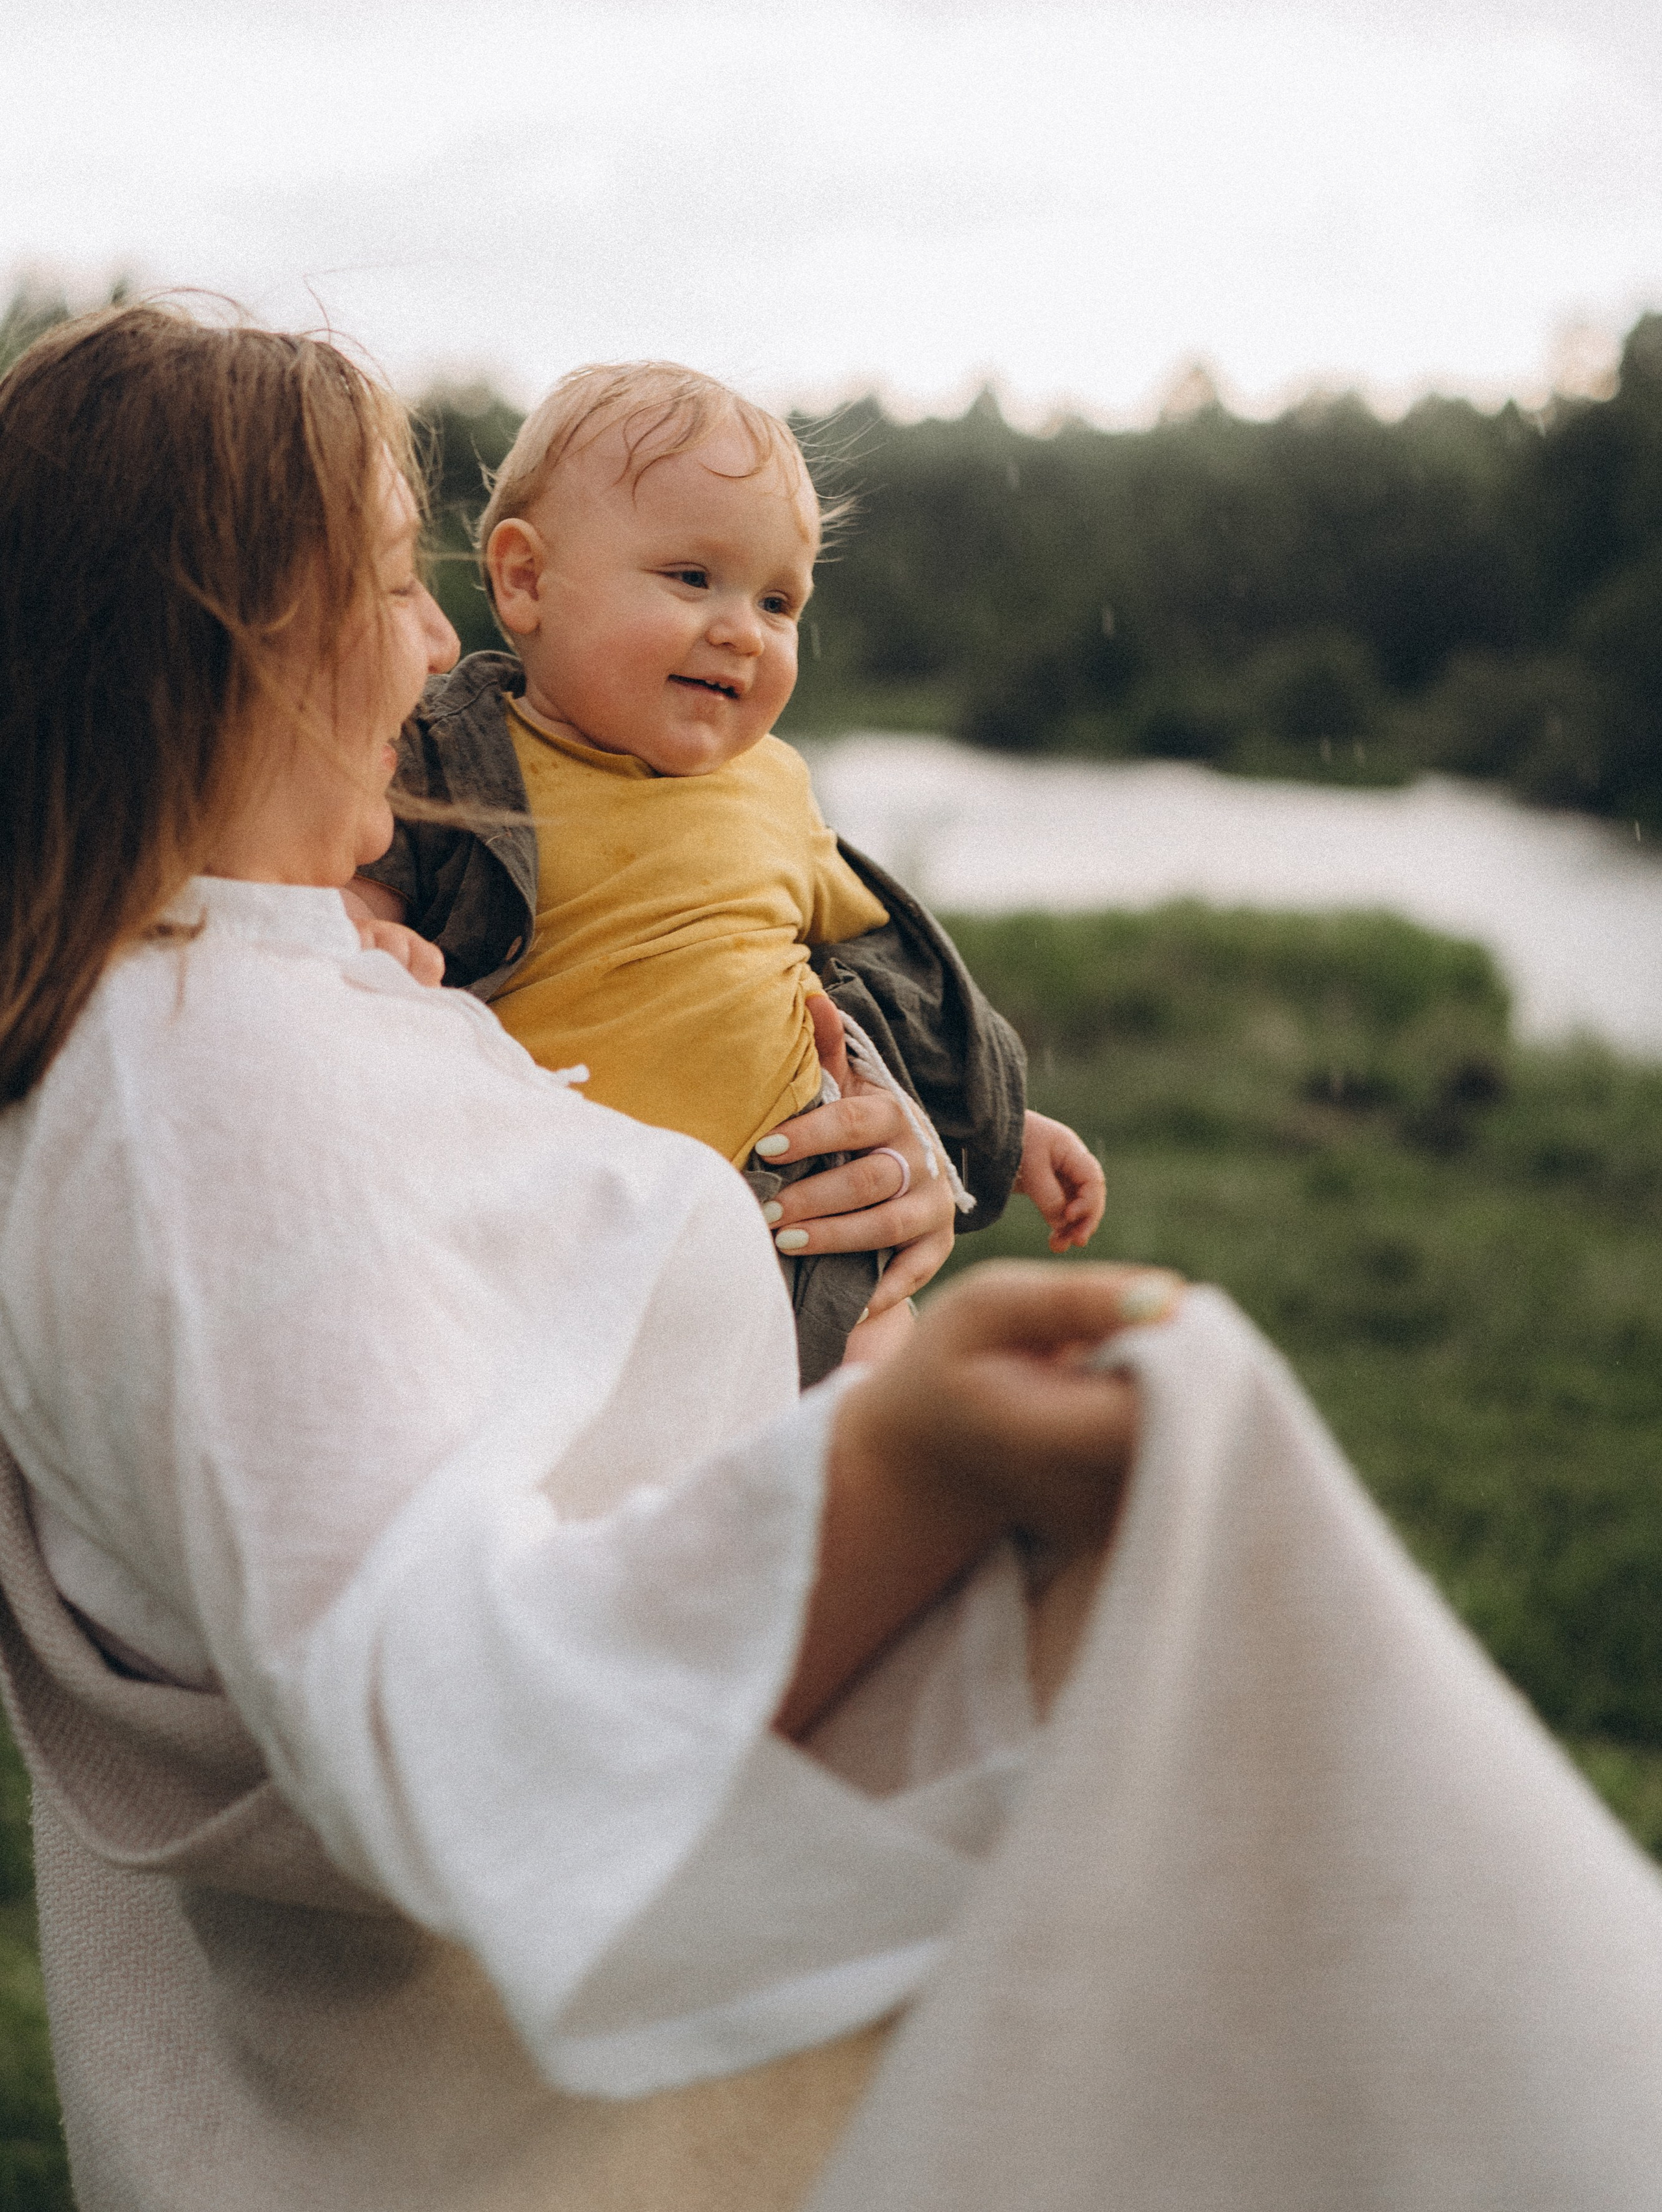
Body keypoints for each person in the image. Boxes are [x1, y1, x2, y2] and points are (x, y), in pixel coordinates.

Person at [7, 304, 1662, 2212]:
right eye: (392, 579)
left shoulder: (255, 998)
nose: (442, 641)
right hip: (525, 2120)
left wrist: (861, 1113)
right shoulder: (201, 1079)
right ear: (227, 634)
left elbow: (547, 1194)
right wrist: (913, 1459)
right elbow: (434, 1705)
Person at [347, 360, 1106, 1381]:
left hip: (801, 1235)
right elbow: (356, 902)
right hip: (573, 1245)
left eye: (780, 601)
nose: (742, 629)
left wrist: (1003, 1133)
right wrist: (365, 936)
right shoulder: (456, 764)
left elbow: (901, 974)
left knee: (880, 1402)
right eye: (692, 578)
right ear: (526, 581)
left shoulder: (775, 787)